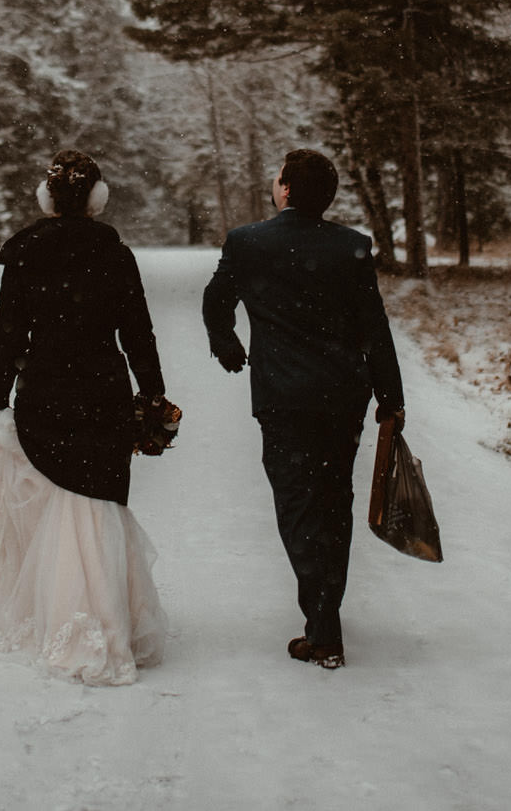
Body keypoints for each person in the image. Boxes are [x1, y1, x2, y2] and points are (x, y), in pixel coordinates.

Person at [0, 149, 171, 686]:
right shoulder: (115, 253)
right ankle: (105, 622)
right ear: (97, 201)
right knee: (96, 503)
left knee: (56, 502)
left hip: (46, 389)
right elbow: (138, 332)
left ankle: (60, 619)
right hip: (102, 389)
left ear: (47, 199)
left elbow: (7, 334)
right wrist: (153, 394)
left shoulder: (25, 251)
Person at [203, 147, 404, 670]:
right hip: (343, 399)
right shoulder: (352, 248)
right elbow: (374, 329)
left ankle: (323, 627)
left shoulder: (248, 243)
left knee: (297, 504)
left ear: (287, 190)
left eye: (277, 178)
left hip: (284, 398)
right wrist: (391, 397)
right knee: (334, 500)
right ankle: (325, 612)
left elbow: (215, 302)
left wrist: (226, 344)